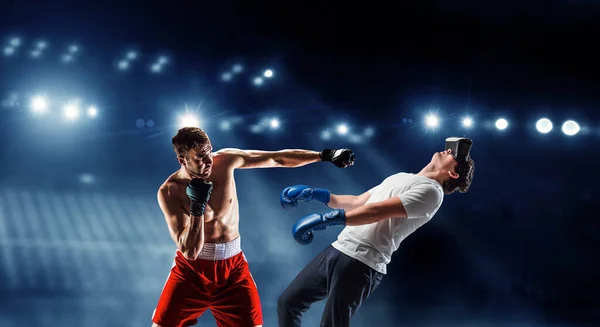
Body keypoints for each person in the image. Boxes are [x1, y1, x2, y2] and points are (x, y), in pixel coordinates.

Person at [151, 126, 356, 327]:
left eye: (209, 153)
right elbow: (190, 251)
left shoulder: (225, 161)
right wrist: (197, 209)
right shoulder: (170, 192)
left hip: (232, 269)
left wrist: (325, 155)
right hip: (192, 272)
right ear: (182, 160)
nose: (208, 161)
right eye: (200, 158)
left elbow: (276, 158)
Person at [277, 137, 475, 327]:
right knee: (288, 302)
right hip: (338, 248)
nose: (447, 150)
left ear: (454, 174)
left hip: (363, 261)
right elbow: (357, 202)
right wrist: (312, 193)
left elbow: (377, 212)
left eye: (453, 155)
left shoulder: (432, 192)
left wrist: (325, 219)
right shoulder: (402, 177)